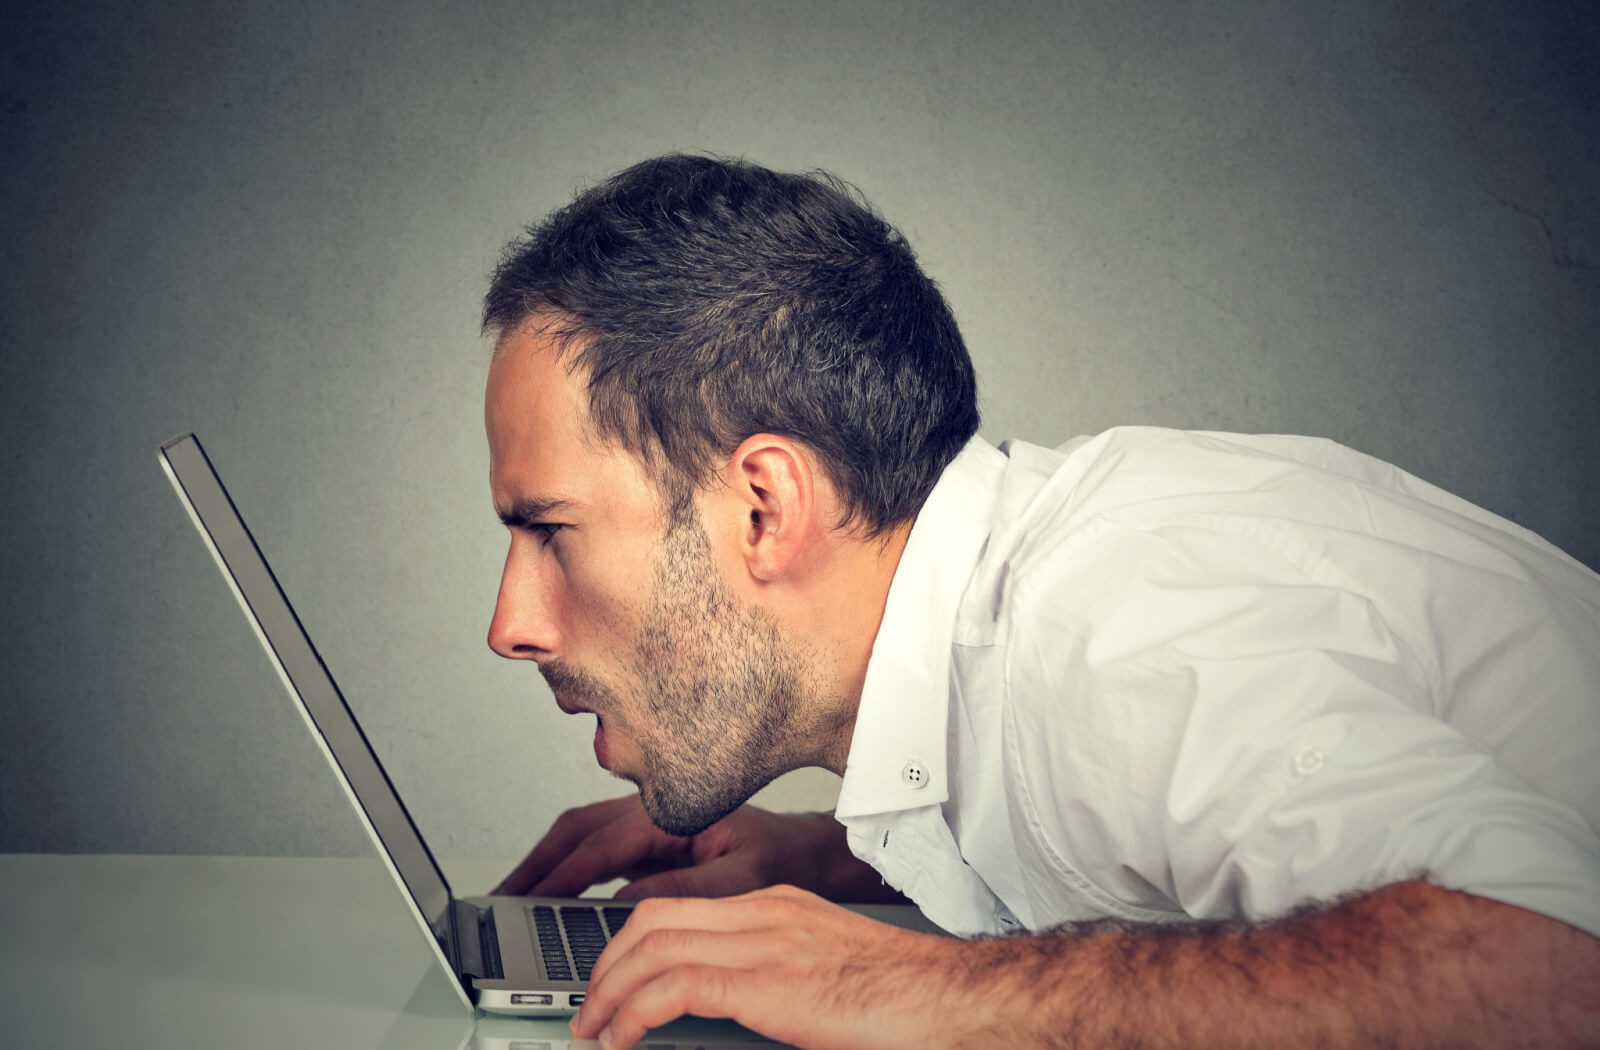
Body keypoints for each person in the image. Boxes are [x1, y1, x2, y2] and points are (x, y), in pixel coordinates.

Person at [479, 154, 1600, 1050]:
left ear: (764, 508)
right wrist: (837, 857)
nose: (510, 624)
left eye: (549, 531)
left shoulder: (1112, 630)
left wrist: (928, 988)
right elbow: (1130, 812)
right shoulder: (1017, 623)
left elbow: (1550, 976)